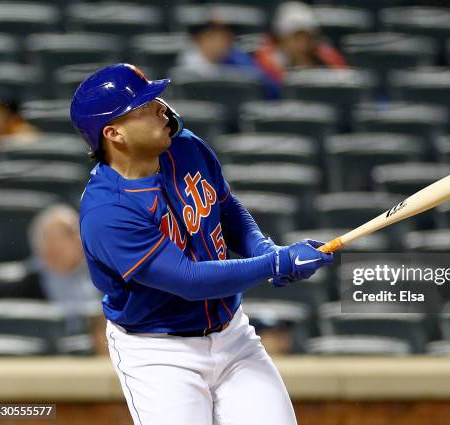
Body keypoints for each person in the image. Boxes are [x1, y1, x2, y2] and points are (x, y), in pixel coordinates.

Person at [70, 63, 333, 425]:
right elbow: (188, 279)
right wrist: (274, 265)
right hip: (159, 352)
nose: (162, 108)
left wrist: (263, 249)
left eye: (156, 98)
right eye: (146, 107)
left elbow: (225, 207)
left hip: (233, 336)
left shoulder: (186, 146)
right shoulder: (107, 211)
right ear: (114, 133)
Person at [28, 204, 105, 354]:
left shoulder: (108, 278)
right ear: (46, 245)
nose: (79, 237)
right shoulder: (11, 287)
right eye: (69, 233)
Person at [177, 15, 280, 99]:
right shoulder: (185, 65)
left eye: (224, 37)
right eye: (212, 37)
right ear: (198, 40)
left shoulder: (235, 58)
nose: (219, 43)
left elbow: (268, 85)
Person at [255, 1, 348, 84]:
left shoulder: (324, 57)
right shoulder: (270, 60)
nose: (302, 44)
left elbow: (343, 81)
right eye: (296, 38)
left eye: (307, 37)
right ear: (282, 38)